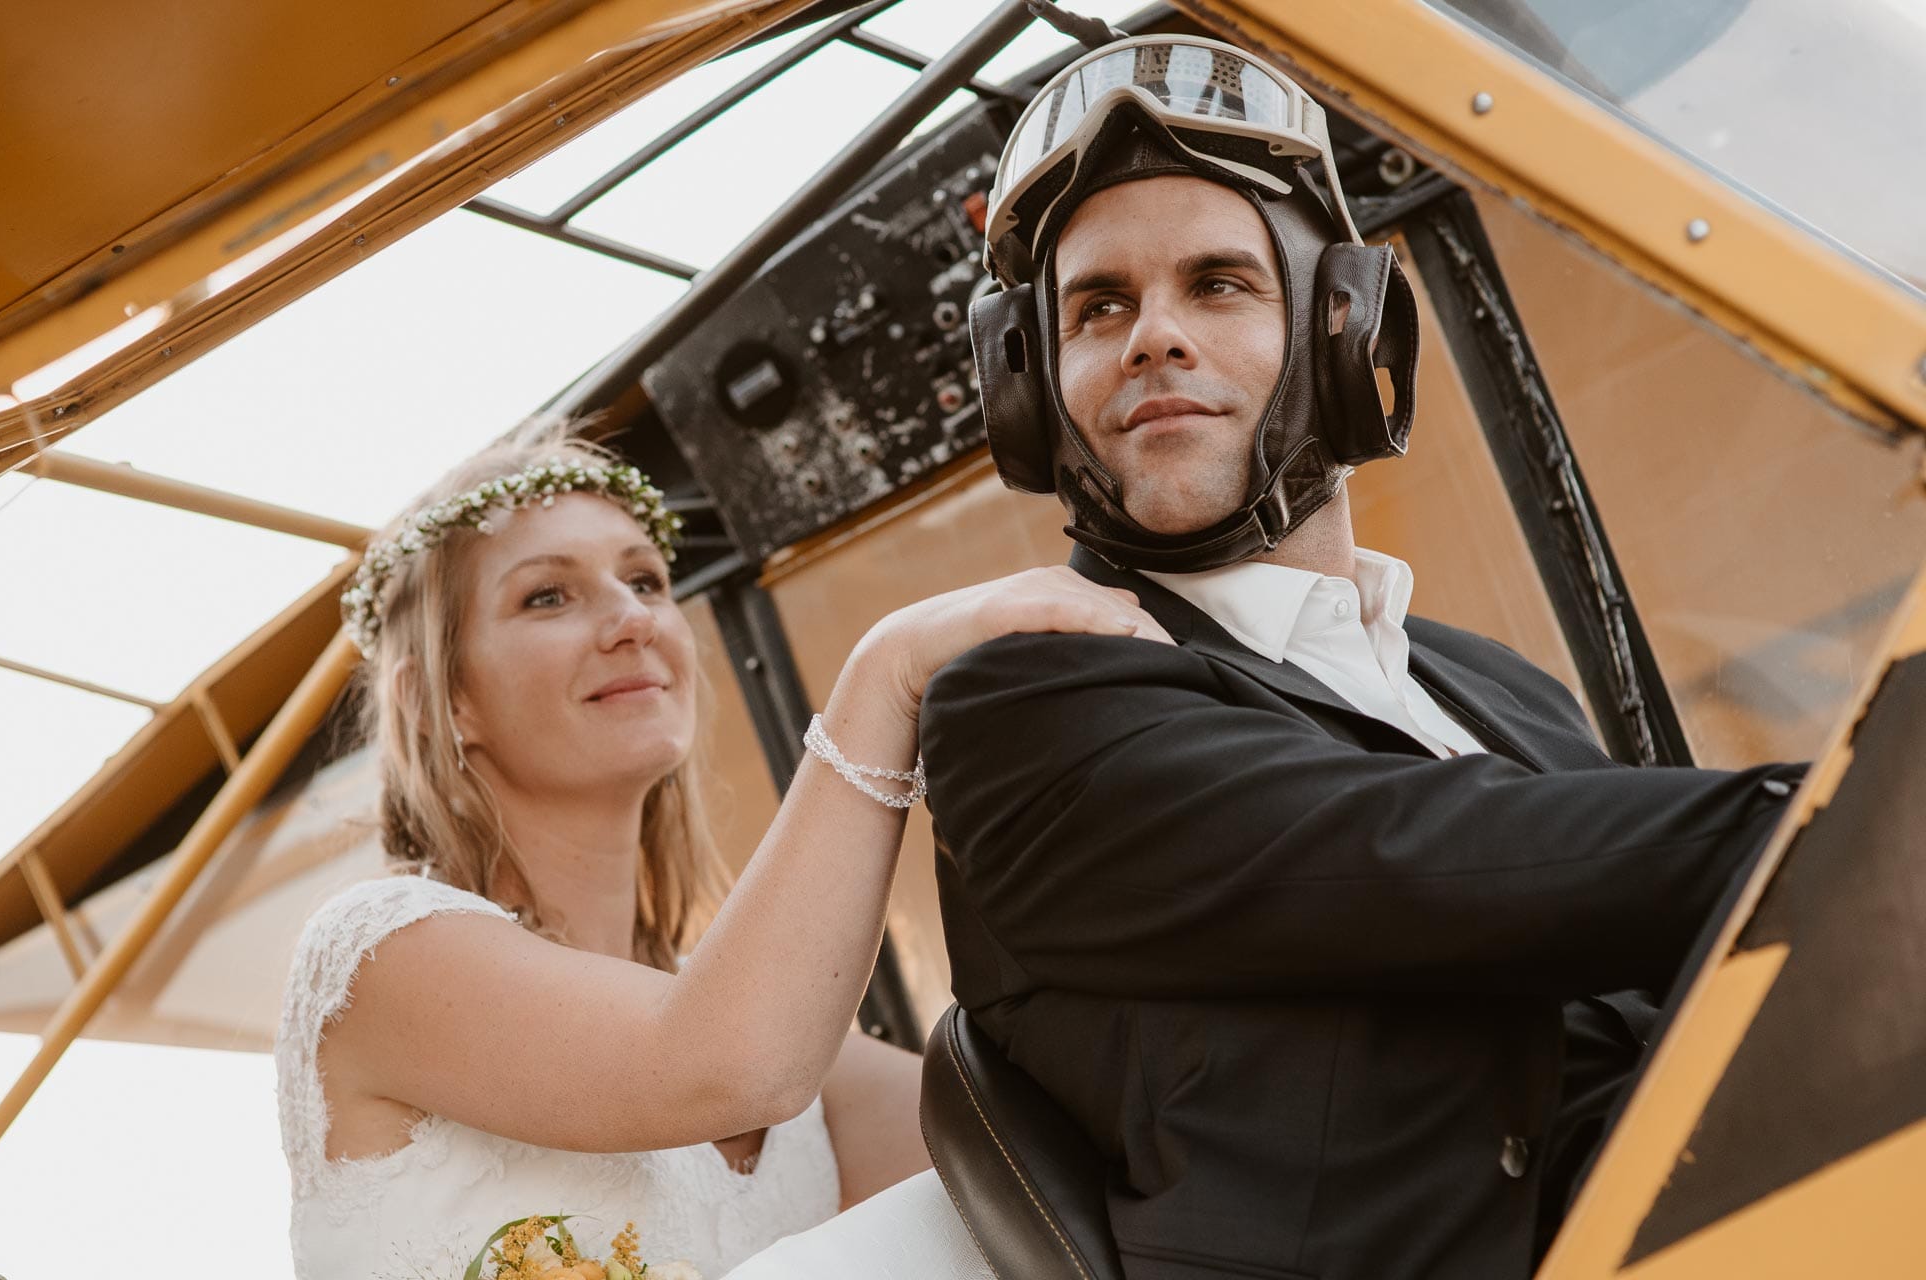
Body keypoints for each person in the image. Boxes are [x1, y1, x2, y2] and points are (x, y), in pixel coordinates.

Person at [903, 33, 1809, 1280]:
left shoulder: (1490, 681)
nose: (1149, 336)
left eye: (1217, 283)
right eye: (1096, 304)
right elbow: (1437, 857)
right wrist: (1852, 809)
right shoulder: (1027, 705)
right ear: (1027, 383)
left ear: (1344, 332)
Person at [273, 423, 1169, 1279]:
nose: (633, 620)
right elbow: (730, 1065)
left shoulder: (797, 1037)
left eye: (649, 581)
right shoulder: (382, 956)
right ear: (442, 702)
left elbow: (1060, 1148)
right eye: (548, 595)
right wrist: (887, 673)